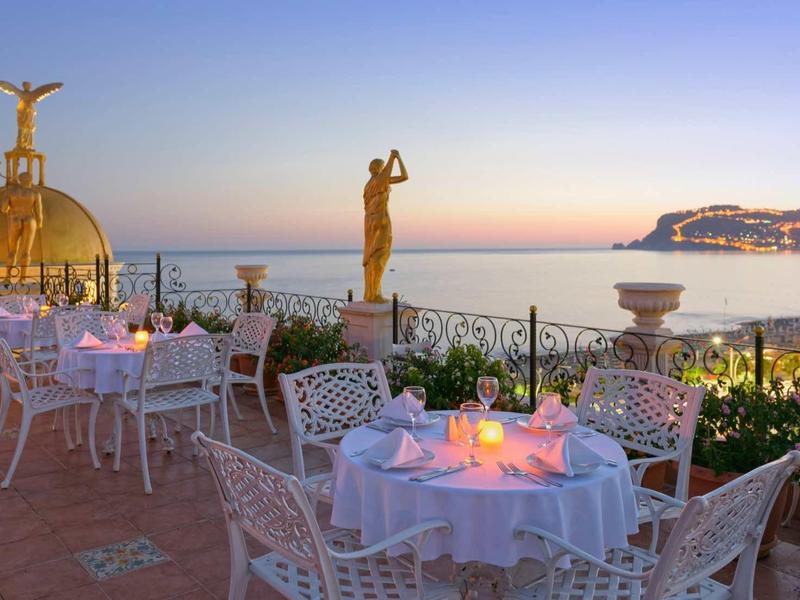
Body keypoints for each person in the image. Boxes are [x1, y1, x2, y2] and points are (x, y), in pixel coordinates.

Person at [362, 149, 408, 303]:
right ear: (379, 169)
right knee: (381, 253)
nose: (384, 170)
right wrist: (395, 156)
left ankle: (371, 292)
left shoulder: (368, 185)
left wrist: (396, 158)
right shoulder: (380, 179)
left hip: (369, 221)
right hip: (380, 219)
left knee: (371, 256)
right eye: (382, 168)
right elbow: (405, 176)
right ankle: (375, 294)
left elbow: (402, 177)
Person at [2, 172, 42, 281]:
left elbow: (3, 208)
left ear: (19, 180)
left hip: (15, 220)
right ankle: (23, 279)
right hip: (30, 220)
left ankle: (7, 278)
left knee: (12, 251)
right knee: (26, 251)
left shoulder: (10, 192)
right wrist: (39, 224)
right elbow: (39, 215)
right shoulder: (35, 194)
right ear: (29, 180)